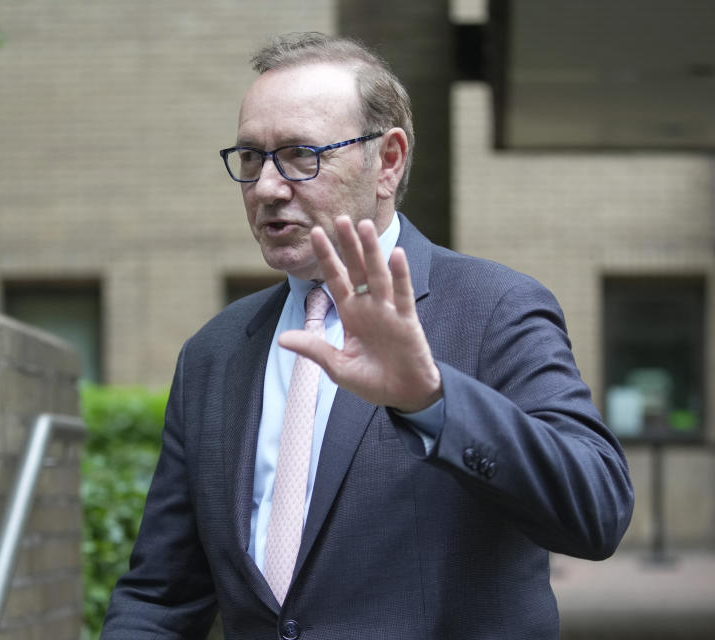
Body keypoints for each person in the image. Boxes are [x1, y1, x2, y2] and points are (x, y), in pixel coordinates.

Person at [101, 32, 633, 639]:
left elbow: (597, 513)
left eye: (302, 153)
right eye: (251, 157)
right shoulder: (214, 352)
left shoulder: (495, 310)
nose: (269, 186)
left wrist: (433, 401)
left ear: (388, 161)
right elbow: (159, 596)